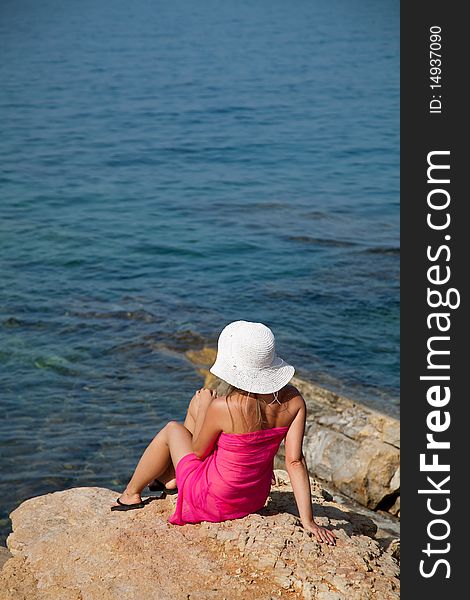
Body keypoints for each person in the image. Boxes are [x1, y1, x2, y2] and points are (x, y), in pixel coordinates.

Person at [111, 320, 337, 546]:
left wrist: (204, 410)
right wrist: (308, 521)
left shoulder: (224, 407)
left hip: (214, 498)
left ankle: (131, 493)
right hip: (252, 498)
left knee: (173, 428)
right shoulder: (295, 401)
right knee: (196, 408)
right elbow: (295, 461)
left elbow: (198, 451)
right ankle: (171, 480)